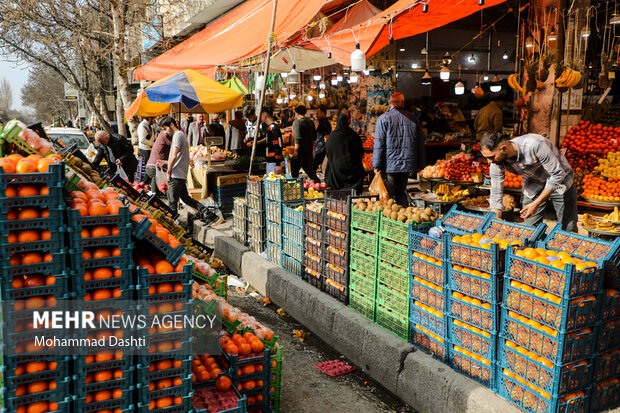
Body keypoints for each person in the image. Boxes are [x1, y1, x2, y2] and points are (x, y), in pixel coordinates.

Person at [480, 132, 578, 232]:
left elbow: (557, 174)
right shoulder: (496, 163)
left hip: (560, 180)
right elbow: (496, 195)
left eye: (491, 157)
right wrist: (494, 223)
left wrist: (536, 203)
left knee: (568, 227)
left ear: (504, 148)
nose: (489, 161)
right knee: (530, 229)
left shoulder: (535, 145)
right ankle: (535, 246)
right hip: (534, 182)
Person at [372, 92, 426, 207]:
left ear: (389, 103)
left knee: (388, 197)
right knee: (401, 193)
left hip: (389, 166)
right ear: (402, 102)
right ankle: (404, 220)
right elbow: (420, 142)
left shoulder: (383, 119)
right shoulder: (412, 118)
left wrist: (376, 165)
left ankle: (388, 222)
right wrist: (420, 165)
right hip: (406, 165)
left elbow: (379, 143)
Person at [159, 116, 208, 217]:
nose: (164, 132)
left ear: (172, 125)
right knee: (187, 200)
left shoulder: (177, 135)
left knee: (172, 204)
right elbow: (178, 157)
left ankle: (174, 229)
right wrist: (165, 162)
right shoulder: (180, 135)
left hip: (176, 175)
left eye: (165, 129)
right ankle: (210, 216)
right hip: (179, 174)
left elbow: (174, 156)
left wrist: (168, 171)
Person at [325, 112, 365, 194]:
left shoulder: (332, 136)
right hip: (353, 172)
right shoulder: (354, 135)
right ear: (348, 122)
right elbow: (360, 152)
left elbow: (328, 152)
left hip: (336, 173)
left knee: (331, 164)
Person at [291, 105, 321, 183]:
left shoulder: (297, 122)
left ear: (297, 113)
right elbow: (314, 137)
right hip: (309, 151)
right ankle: (318, 184)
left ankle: (295, 187)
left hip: (300, 151)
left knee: (294, 172)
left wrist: (296, 151)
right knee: (311, 172)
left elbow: (297, 138)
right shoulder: (310, 122)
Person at [145, 128, 173, 197]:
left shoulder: (161, 136)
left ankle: (155, 198)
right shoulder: (164, 136)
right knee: (155, 179)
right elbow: (174, 145)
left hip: (151, 165)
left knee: (156, 181)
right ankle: (154, 199)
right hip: (154, 165)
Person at [256, 107, 283, 175]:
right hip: (271, 161)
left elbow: (278, 145)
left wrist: (277, 164)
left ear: (264, 116)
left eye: (260, 115)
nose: (260, 117)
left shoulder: (273, 128)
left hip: (273, 162)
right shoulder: (271, 128)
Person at [313, 106, 331, 172]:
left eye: (318, 113)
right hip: (319, 149)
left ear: (323, 113)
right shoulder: (321, 122)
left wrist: (327, 150)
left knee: (314, 167)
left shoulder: (325, 124)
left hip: (321, 150)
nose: (316, 115)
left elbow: (327, 137)